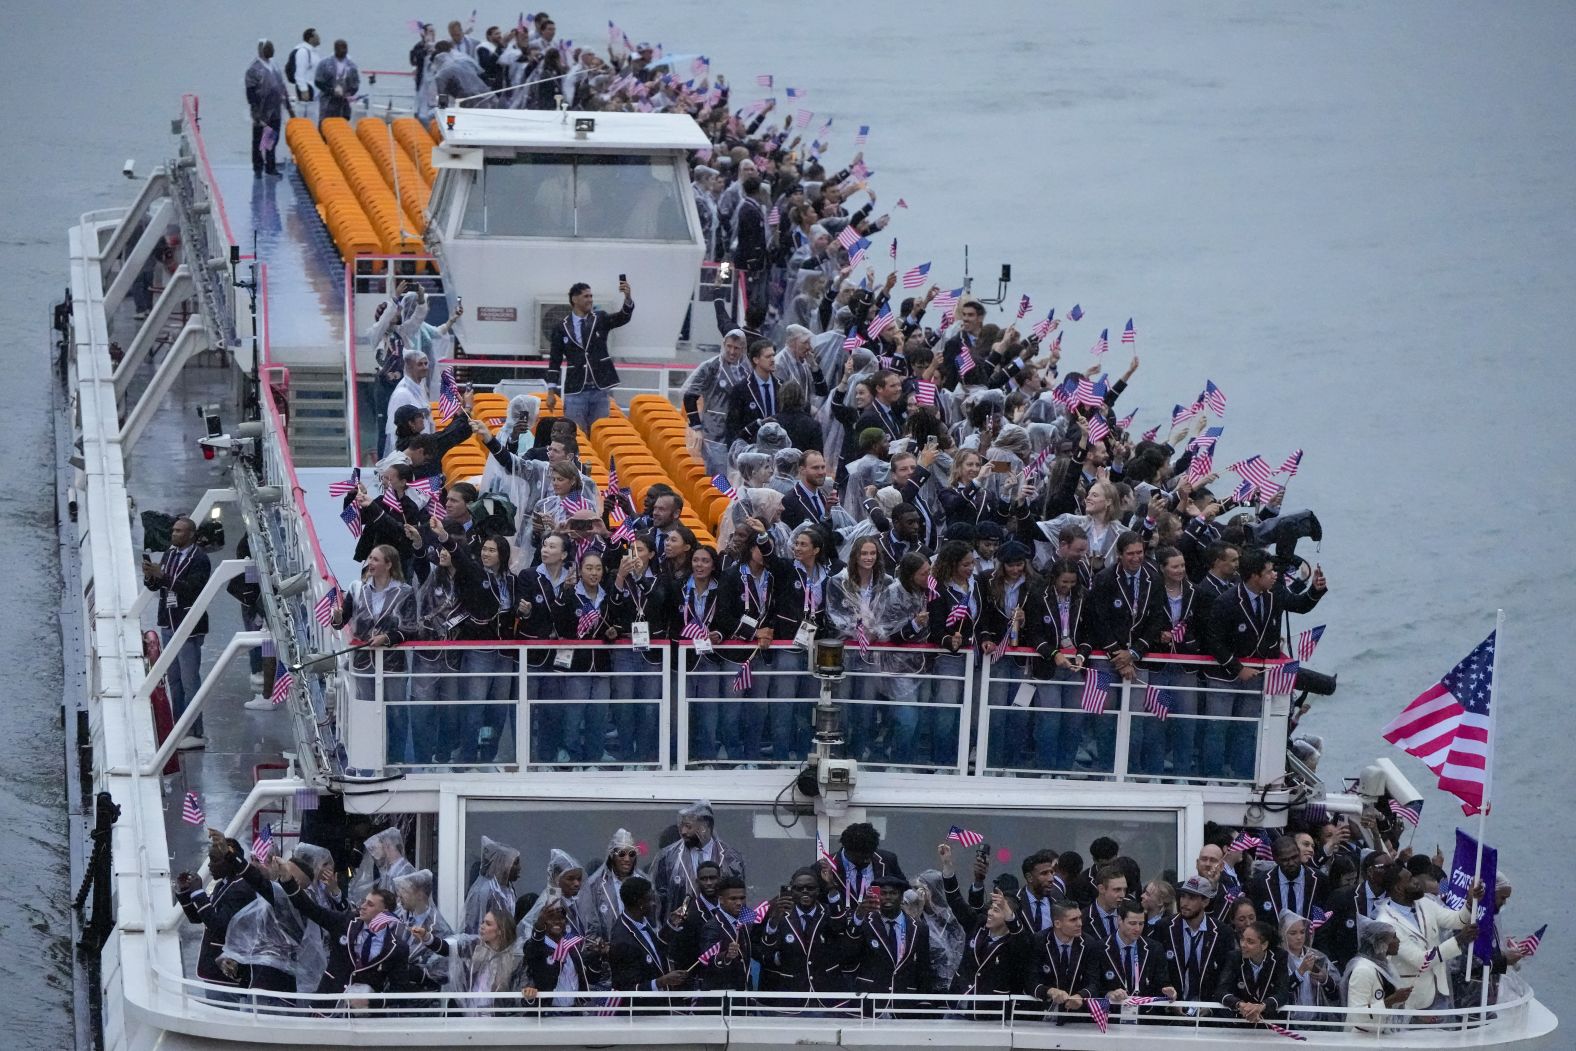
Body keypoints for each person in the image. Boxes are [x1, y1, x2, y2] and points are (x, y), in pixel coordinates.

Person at [174, 830, 273, 995]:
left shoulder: (241, 889)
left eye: (214, 860)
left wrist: (199, 893)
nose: (209, 865)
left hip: (226, 974)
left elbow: (219, 927)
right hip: (215, 972)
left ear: (229, 861)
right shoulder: (224, 884)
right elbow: (199, 919)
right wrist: (186, 893)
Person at [1373, 864, 1480, 1013]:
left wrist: (1469, 902)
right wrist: (1459, 940)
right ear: (1398, 888)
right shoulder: (1386, 923)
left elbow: (1456, 920)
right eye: (1410, 880)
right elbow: (1420, 960)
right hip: (1413, 1000)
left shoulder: (1424, 902)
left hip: (1441, 990)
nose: (1417, 881)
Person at [143, 516, 211, 749]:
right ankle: (179, 725)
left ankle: (195, 729)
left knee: (190, 680)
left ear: (191, 535)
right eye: (173, 530)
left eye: (179, 531)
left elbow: (192, 590)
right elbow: (158, 586)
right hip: (168, 622)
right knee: (174, 679)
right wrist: (151, 576)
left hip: (188, 625)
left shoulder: (200, 559)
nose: (174, 534)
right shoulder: (170, 554)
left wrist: (163, 577)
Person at [547, 278, 634, 434]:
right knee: (574, 434)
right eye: (586, 296)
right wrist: (551, 392)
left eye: (591, 296)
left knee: (599, 434)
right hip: (575, 390)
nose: (590, 300)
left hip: (600, 389)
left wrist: (627, 298)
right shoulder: (561, 327)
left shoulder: (600, 318)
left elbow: (623, 317)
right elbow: (555, 361)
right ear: (574, 299)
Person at [758, 866, 857, 1000]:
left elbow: (840, 926)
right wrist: (774, 921)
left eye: (810, 888)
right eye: (799, 888)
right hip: (791, 996)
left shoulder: (828, 912)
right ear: (792, 891)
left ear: (818, 890)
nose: (805, 892)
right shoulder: (779, 914)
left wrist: (831, 887)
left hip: (826, 996)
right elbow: (767, 953)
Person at [411, 907, 522, 1015]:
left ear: (500, 931)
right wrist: (426, 937)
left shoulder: (514, 958)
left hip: (496, 1021)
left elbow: (517, 994)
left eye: (488, 924)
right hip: (465, 1016)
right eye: (482, 922)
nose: (482, 926)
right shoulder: (474, 946)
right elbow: (446, 948)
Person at [649, 800, 747, 921]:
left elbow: (740, 898)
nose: (683, 832)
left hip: (721, 932)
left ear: (704, 827)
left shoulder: (731, 858)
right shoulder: (668, 857)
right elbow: (659, 901)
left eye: (688, 826)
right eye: (682, 826)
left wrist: (745, 928)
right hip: (682, 933)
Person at [1159, 876, 1231, 1014]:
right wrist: (1170, 1002)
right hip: (1171, 1010)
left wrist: (1210, 1007)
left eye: (1191, 898)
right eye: (1183, 896)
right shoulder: (1164, 927)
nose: (1184, 903)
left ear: (1205, 901)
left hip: (1208, 1013)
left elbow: (1226, 976)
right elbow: (1159, 971)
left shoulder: (1222, 932)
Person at [608, 877, 688, 996]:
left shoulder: (642, 921)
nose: (654, 904)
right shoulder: (622, 940)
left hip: (660, 1006)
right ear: (640, 903)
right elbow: (626, 989)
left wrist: (670, 926)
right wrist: (661, 982)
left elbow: (655, 951)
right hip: (641, 1011)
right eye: (650, 900)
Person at [521, 894, 597, 1008]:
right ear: (543, 920)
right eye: (551, 918)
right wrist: (539, 927)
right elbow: (534, 951)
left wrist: (597, 957)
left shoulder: (573, 944)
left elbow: (589, 977)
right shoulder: (536, 946)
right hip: (548, 1014)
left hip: (574, 1012)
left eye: (561, 918)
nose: (557, 922)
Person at [1214, 919, 1292, 1029]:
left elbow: (1283, 992)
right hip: (1240, 1024)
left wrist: (1262, 1007)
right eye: (1242, 939)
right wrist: (1241, 1005)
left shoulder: (1280, 957)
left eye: (1250, 942)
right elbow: (1220, 991)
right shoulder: (1234, 957)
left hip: (1271, 1024)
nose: (1243, 945)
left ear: (1264, 945)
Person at [577, 828, 646, 947]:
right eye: (622, 854)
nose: (627, 859)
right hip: (608, 954)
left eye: (632, 854)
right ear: (612, 855)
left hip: (640, 951)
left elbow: (654, 921)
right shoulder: (594, 886)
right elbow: (588, 927)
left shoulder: (644, 883)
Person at [1343, 921, 1411, 1035]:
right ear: (1380, 943)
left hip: (1383, 1034)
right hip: (1361, 1040)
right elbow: (1357, 1015)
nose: (1398, 941)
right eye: (1394, 937)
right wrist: (1391, 1000)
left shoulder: (1387, 965)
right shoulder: (1362, 970)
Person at [697, 876, 754, 992]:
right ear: (721, 900)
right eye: (733, 899)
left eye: (742, 898)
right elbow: (706, 961)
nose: (739, 903)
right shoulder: (712, 926)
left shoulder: (746, 919)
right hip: (722, 996)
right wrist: (726, 956)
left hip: (744, 992)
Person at [1250, 834, 1325, 921]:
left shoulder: (1320, 880)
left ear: (1299, 852)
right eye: (1285, 860)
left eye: (1294, 857)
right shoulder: (1260, 883)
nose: (1291, 863)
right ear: (1275, 860)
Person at [245, 41, 292, 177]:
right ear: (261, 49)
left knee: (272, 139)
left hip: (275, 109)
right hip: (261, 110)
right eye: (268, 48)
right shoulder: (254, 69)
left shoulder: (274, 65)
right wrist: (256, 111)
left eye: (272, 47)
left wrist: (288, 107)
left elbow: (282, 86)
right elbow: (250, 91)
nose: (272, 50)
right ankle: (258, 166)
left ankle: (270, 166)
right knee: (259, 139)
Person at [1280, 910, 1338, 1012]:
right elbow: (1279, 993)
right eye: (1293, 933)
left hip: (1317, 1022)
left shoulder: (1319, 957)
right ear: (1283, 934)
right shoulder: (1277, 958)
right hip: (1288, 1021)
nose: (1299, 937)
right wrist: (1300, 972)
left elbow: (1336, 994)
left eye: (1302, 932)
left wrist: (1325, 979)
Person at [463, 836, 521, 935]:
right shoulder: (486, 891)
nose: (519, 868)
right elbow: (474, 927)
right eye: (515, 863)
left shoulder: (507, 889)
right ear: (501, 863)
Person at [314, 39, 360, 125]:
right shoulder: (324, 63)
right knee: (325, 125)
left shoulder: (352, 66)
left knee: (341, 127)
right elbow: (318, 81)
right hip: (327, 102)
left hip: (343, 104)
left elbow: (356, 84)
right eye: (341, 48)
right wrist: (331, 90)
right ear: (335, 49)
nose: (344, 50)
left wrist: (348, 93)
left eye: (345, 48)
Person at [285, 28, 320, 122]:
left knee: (312, 119)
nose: (319, 38)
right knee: (304, 119)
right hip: (306, 90)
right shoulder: (303, 51)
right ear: (310, 38)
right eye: (317, 36)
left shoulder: (313, 52)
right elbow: (299, 72)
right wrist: (303, 89)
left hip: (314, 91)